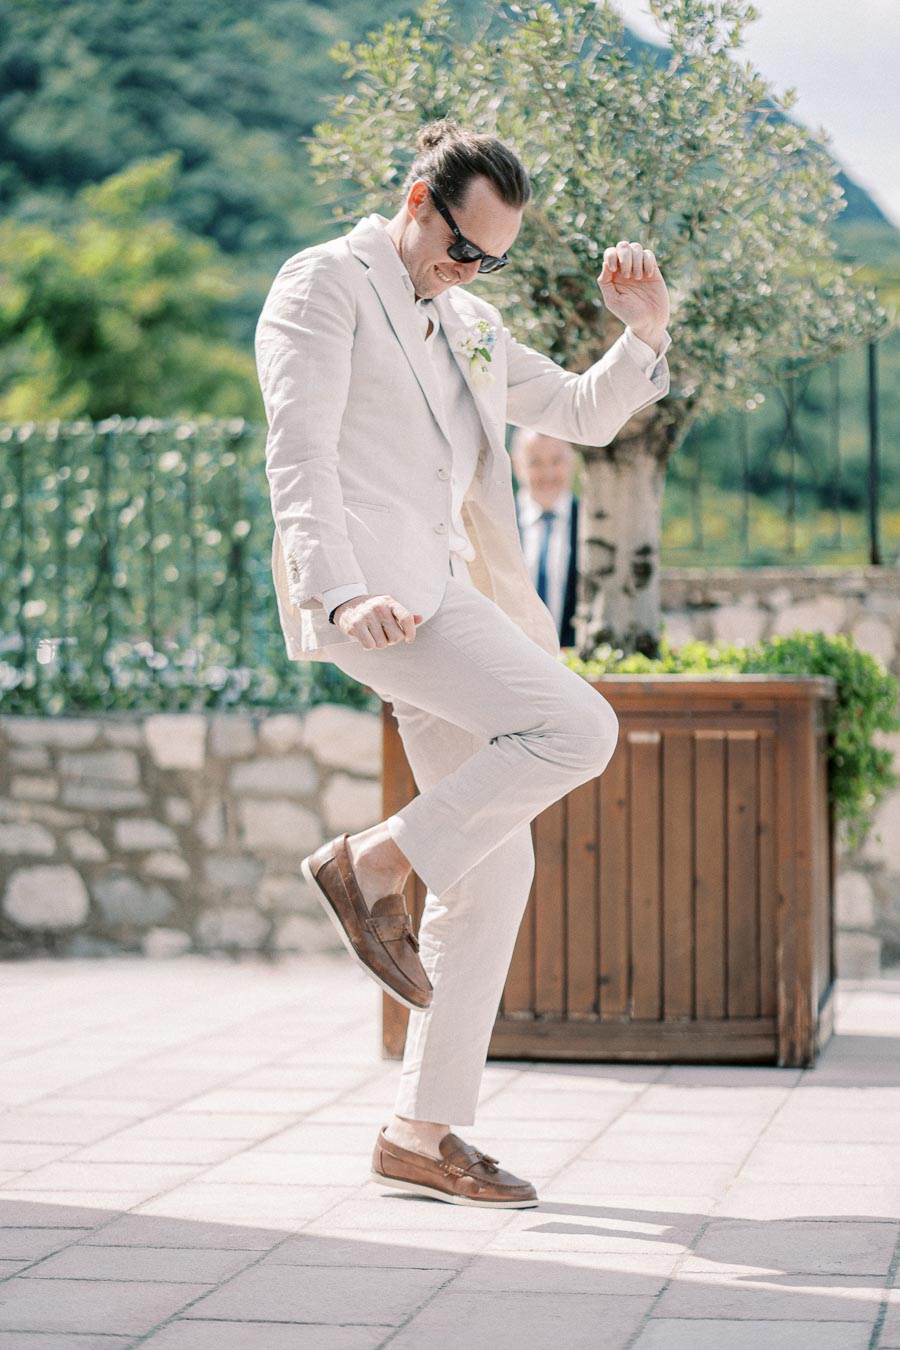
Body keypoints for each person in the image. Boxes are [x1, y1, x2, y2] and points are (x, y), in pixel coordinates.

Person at [255, 118, 671, 1208]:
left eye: (489, 258)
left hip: (446, 594)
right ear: (414, 199)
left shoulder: (471, 323)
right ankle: (375, 861)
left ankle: (418, 1133)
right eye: (458, 246)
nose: (467, 270)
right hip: (379, 596)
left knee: (496, 868)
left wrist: (644, 332)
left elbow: (581, 410)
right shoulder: (323, 286)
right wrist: (339, 587)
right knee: (580, 728)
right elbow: (296, 454)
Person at [512, 429, 580, 647]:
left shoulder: (592, 525)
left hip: (575, 667)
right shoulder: (498, 524)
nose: (547, 473)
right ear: (517, 465)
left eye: (556, 461)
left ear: (571, 463)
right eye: (535, 462)